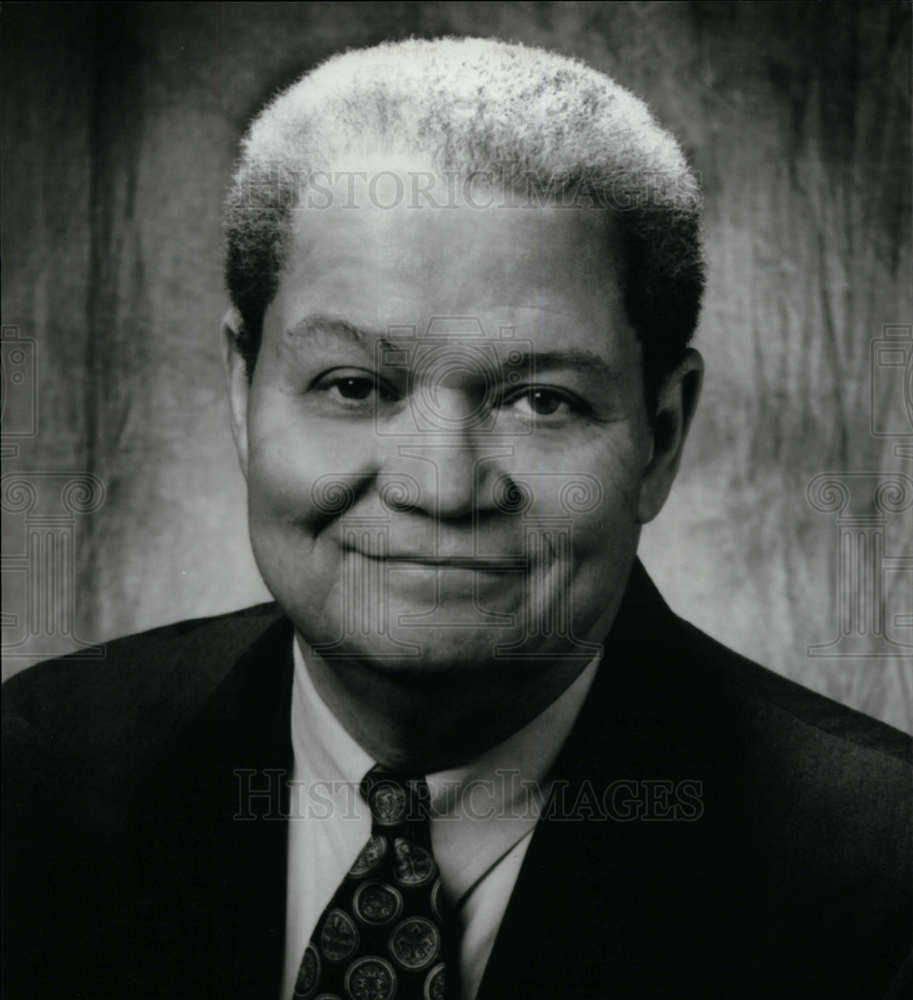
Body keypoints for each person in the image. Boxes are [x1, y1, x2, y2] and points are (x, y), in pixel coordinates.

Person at [3, 36, 910, 1000]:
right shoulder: (33, 779)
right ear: (242, 391)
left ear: (661, 432)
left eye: (541, 401)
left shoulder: (882, 880)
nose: (439, 486)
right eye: (353, 386)